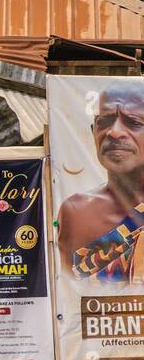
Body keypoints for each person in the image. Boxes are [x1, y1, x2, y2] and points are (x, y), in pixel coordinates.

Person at [57, 84, 144, 280]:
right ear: (93, 131)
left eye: (134, 122)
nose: (114, 133)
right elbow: (68, 294)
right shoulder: (76, 211)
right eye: (104, 122)